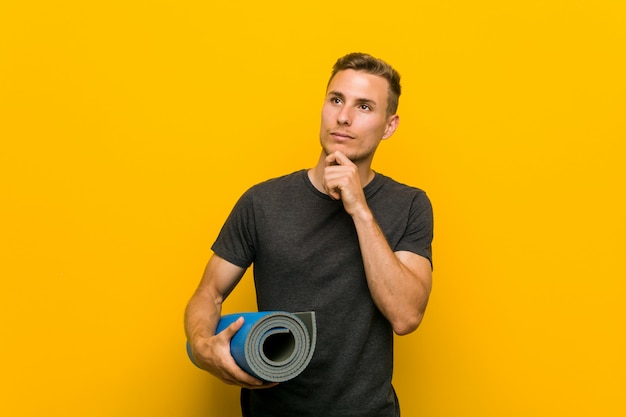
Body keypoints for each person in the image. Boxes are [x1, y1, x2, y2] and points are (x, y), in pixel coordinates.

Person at [184, 52, 434, 417]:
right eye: (336, 100)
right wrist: (203, 344)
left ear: (389, 126)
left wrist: (360, 209)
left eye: (364, 107)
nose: (343, 117)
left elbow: (406, 316)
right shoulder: (263, 202)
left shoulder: (409, 205)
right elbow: (208, 292)